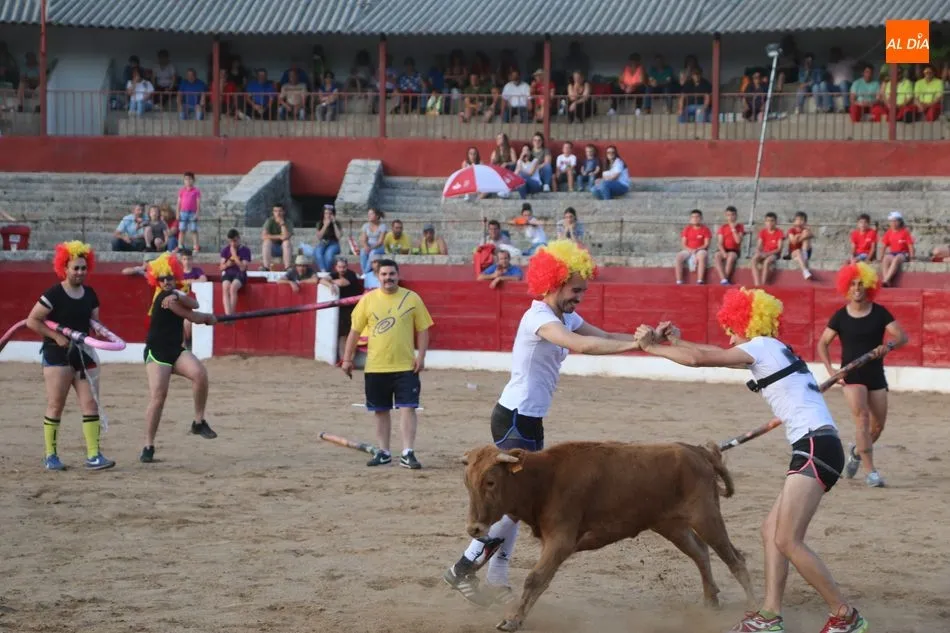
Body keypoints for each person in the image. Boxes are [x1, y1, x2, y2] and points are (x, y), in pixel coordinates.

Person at [633, 288, 869, 633]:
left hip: (814, 446)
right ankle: (769, 614)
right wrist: (678, 341)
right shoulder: (770, 349)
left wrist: (652, 348)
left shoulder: (762, 347)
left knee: (787, 539)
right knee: (771, 531)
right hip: (817, 445)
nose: (729, 337)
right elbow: (712, 354)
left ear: (747, 323)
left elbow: (700, 360)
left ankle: (844, 614)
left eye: (732, 329)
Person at [443, 240, 644, 607]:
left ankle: (496, 576)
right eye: (576, 290)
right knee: (513, 503)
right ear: (555, 283)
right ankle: (463, 568)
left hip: (529, 419)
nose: (580, 297)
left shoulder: (564, 317)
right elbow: (582, 346)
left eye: (583, 290)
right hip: (515, 417)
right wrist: (633, 347)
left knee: (521, 503)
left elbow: (602, 337)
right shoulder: (539, 318)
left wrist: (643, 341)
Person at [26, 241, 115, 471]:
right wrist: (56, 336)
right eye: (75, 268)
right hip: (58, 354)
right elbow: (32, 320)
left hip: (83, 353)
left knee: (90, 404)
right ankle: (51, 456)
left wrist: (100, 331)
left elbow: (93, 322)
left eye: (83, 268)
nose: (80, 272)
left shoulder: (90, 294)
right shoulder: (54, 294)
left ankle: (94, 455)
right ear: (64, 268)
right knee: (56, 404)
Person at [817, 262, 908, 488]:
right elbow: (822, 343)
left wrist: (888, 346)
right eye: (852, 284)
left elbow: (901, 337)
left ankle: (856, 452)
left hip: (875, 374)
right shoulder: (840, 316)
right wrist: (832, 372)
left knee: (877, 427)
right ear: (846, 288)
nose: (857, 288)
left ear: (868, 287)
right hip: (851, 374)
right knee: (862, 418)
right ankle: (871, 472)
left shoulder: (880, 312)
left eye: (860, 284)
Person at [341, 259, 433, 469]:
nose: (388, 278)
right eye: (384, 274)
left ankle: (408, 452)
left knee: (408, 408)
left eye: (392, 274)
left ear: (398, 275)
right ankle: (384, 452)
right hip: (376, 366)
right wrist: (347, 359)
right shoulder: (368, 300)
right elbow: (355, 332)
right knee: (380, 410)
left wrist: (421, 356)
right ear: (377, 276)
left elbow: (423, 329)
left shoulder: (412, 298)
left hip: (406, 365)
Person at [141, 253, 218, 463]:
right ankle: (148, 445)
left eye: (170, 278)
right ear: (156, 281)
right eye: (162, 279)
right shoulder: (163, 299)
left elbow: (194, 303)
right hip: (157, 352)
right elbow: (192, 316)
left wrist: (179, 294)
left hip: (175, 350)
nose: (166, 281)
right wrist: (208, 319)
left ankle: (198, 421)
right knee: (159, 397)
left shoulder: (173, 295)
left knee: (200, 374)